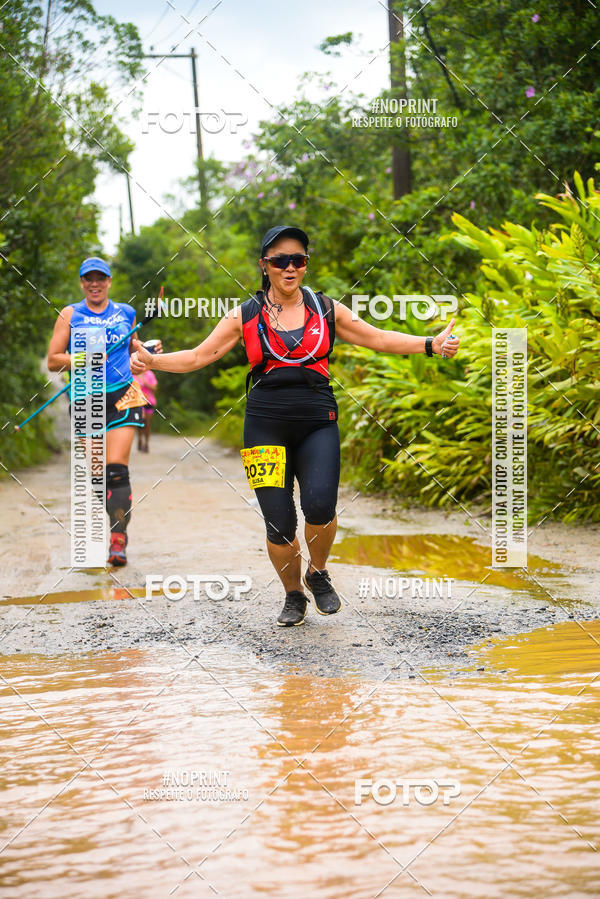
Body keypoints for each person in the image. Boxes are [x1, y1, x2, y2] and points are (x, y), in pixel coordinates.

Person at [131, 226, 460, 625]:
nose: (290, 267)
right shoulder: (244, 315)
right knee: (279, 522)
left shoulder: (326, 309)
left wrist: (430, 344)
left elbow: (377, 338)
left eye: (298, 260)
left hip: (317, 423)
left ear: (305, 264)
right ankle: (293, 595)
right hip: (264, 427)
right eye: (280, 261)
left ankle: (317, 573)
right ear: (264, 266)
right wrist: (153, 362)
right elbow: (200, 356)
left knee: (320, 506)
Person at [47, 256, 153, 567]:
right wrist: (85, 357)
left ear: (109, 281)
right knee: (97, 475)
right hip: (86, 397)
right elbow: (54, 360)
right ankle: (115, 519)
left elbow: (131, 347)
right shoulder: (70, 314)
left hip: (123, 394)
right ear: (82, 283)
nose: (95, 283)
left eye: (100, 278)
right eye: (88, 278)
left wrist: (146, 350)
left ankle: (118, 539)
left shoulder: (126, 312)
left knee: (116, 470)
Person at [134, 340, 161, 453]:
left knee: (147, 424)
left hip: (149, 401)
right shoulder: (134, 373)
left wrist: (146, 383)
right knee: (140, 423)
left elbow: (155, 388)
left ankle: (146, 443)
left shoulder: (150, 374)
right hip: (137, 402)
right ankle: (140, 439)